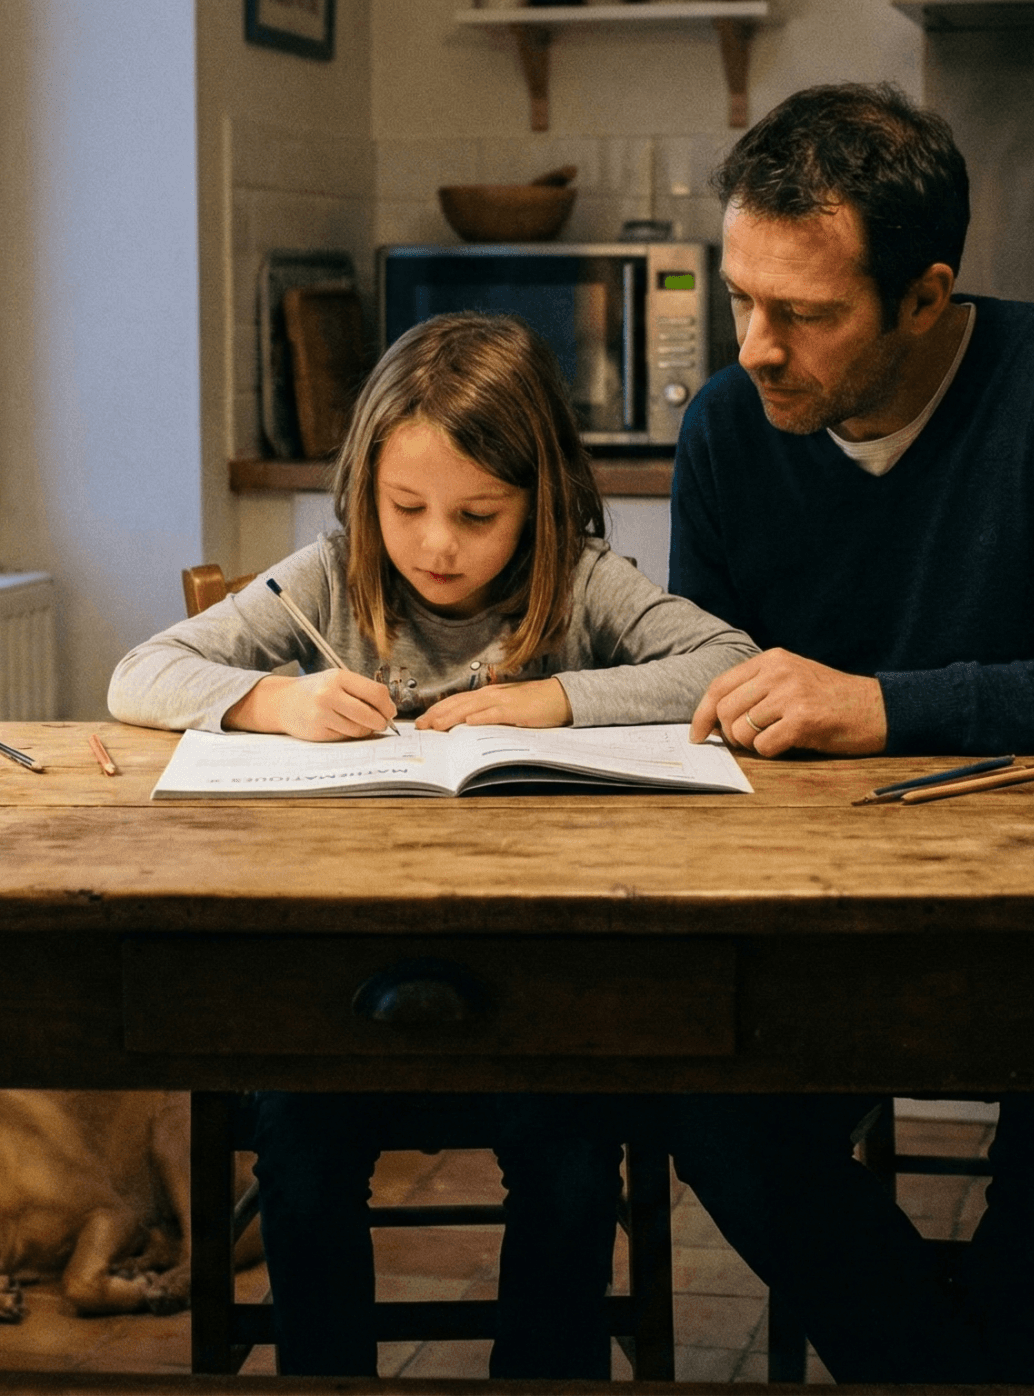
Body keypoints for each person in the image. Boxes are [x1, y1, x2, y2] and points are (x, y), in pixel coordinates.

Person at [664, 83, 1034, 1383]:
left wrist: (886, 707)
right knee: (695, 1089)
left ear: (925, 297)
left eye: (804, 315)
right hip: (822, 925)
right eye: (740, 298)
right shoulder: (723, 432)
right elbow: (697, 686)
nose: (754, 346)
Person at [109, 310, 757, 1377]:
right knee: (301, 1156)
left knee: (571, 1156)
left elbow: (724, 662)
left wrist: (555, 697)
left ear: (538, 501)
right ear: (364, 490)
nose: (437, 544)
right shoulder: (324, 576)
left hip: (545, 978)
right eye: (405, 507)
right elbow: (140, 672)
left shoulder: (584, 581)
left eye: (478, 513)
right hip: (335, 977)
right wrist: (275, 700)